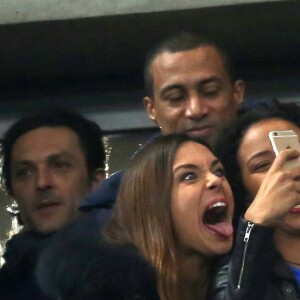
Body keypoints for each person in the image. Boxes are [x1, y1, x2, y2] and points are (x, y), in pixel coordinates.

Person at [37, 133, 300, 300]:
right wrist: (254, 228)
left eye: (218, 171)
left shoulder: (233, 277)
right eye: (188, 176)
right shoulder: (112, 289)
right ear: (153, 204)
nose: (214, 180)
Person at [80, 30, 245, 221]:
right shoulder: (115, 206)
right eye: (176, 98)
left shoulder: (275, 173)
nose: (195, 110)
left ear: (237, 93)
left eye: (210, 91)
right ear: (151, 109)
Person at [0, 109, 106, 300]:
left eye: (60, 165)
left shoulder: (131, 269)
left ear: (96, 181)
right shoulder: (11, 280)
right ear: (11, 190)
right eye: (24, 172)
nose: (42, 183)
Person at [213, 100, 300, 299]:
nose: (290, 173)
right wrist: (255, 225)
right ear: (243, 192)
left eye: (296, 156)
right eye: (262, 166)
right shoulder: (232, 275)